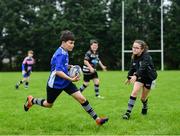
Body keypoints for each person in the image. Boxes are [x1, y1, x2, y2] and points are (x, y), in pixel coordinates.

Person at [24, 30, 108, 126]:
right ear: (63, 42)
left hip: (66, 82)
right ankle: (32, 100)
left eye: (73, 43)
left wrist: (68, 66)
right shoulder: (60, 54)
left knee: (82, 99)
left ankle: (97, 120)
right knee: (48, 104)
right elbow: (58, 72)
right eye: (70, 43)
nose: (73, 45)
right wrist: (71, 79)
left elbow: (59, 66)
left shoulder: (65, 51)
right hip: (55, 84)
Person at [122, 40, 157, 119]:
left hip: (149, 78)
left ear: (142, 49)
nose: (134, 49)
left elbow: (143, 68)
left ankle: (145, 105)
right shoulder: (134, 57)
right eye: (133, 47)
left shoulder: (147, 56)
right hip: (140, 77)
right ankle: (127, 113)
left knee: (143, 98)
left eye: (137, 48)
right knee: (134, 92)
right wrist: (128, 77)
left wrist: (135, 76)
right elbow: (132, 68)